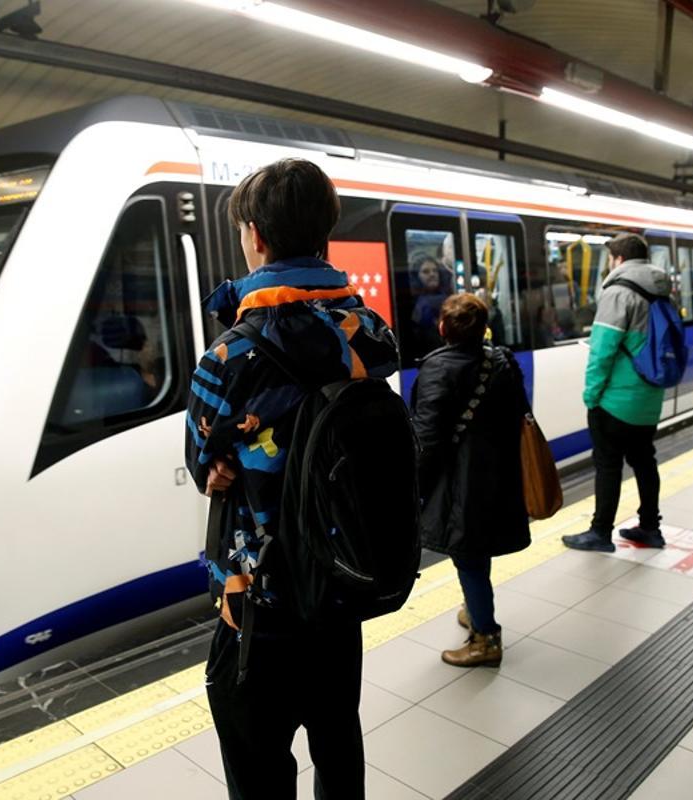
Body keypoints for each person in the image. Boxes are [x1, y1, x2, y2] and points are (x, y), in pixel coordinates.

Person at [184, 158, 398, 800]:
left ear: (254, 234)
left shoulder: (227, 359)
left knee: (258, 766)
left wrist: (224, 461)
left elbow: (206, 465)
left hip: (259, 602)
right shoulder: (368, 333)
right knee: (338, 740)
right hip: (341, 583)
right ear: (324, 232)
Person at [411, 293, 530, 667]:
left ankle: (485, 638)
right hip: (498, 475)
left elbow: (427, 440)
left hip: (461, 482)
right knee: (477, 549)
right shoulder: (503, 360)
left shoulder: (438, 368)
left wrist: (415, 486)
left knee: (468, 555)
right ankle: (474, 608)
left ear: (443, 328)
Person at [563, 233, 671, 552]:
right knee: (644, 461)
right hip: (649, 396)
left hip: (616, 399)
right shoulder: (660, 289)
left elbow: (602, 350)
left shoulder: (619, 291)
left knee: (608, 466)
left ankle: (600, 532)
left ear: (618, 259)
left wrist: (591, 396)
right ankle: (651, 527)